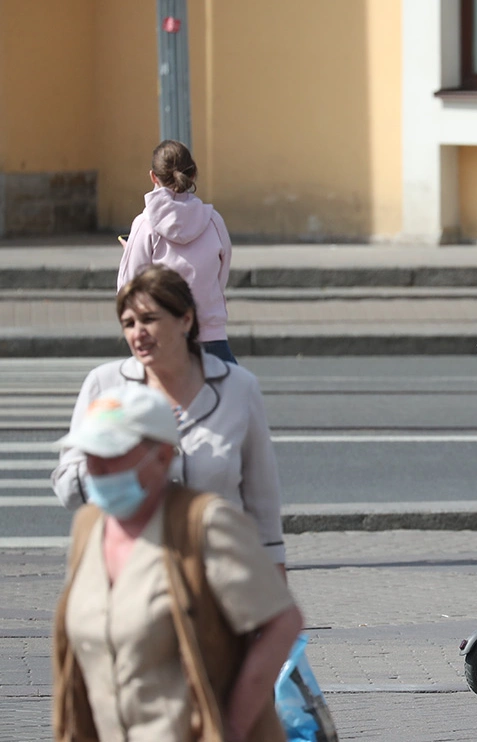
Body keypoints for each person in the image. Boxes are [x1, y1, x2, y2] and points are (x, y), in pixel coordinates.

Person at [51, 383, 302, 741]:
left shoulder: (205, 523)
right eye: (88, 453)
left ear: (163, 456)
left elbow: (282, 623)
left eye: (112, 452)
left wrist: (230, 726)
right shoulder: (88, 526)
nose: (97, 468)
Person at [52, 266, 288, 566]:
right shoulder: (105, 385)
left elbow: (262, 499)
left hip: (220, 571)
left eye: (149, 319)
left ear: (185, 320)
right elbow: (67, 489)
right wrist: (120, 463)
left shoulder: (238, 387)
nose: (138, 333)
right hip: (132, 569)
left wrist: (274, 577)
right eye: (128, 323)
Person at [119, 139, 237, 364]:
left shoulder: (145, 225)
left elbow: (128, 288)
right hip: (211, 336)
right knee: (230, 394)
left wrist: (129, 254)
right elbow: (221, 275)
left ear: (153, 176)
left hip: (163, 339)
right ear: (192, 175)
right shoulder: (213, 221)